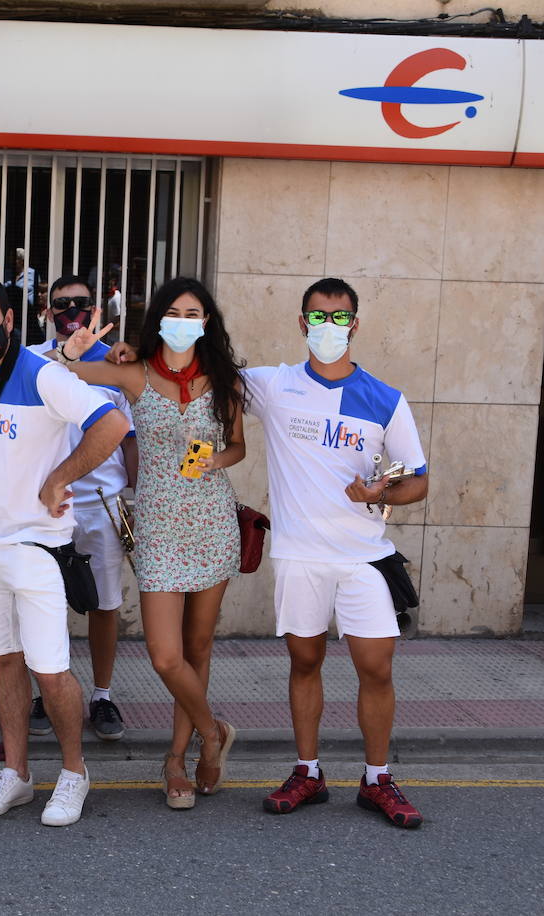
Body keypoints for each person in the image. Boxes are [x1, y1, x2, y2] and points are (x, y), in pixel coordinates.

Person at [0, 273, 127, 827]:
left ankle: (74, 772)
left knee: (50, 671)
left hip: (38, 547)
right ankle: (16, 773)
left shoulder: (43, 374)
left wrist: (60, 477)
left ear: (10, 320)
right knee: (4, 662)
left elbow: (110, 425)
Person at [245, 278, 429, 828]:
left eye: (340, 317)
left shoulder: (385, 398)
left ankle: (377, 780)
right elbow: (199, 373)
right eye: (319, 317)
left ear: (355, 324)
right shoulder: (273, 385)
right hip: (299, 556)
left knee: (376, 667)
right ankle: (308, 772)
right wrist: (111, 355)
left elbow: (418, 480)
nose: (329, 327)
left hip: (363, 558)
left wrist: (380, 494)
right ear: (303, 323)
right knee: (304, 662)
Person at [59, 277, 245, 809]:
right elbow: (60, 375)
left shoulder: (224, 379)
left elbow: (238, 446)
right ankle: (213, 732)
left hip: (212, 523)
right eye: (174, 313)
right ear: (159, 319)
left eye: (193, 314)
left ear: (206, 322)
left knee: (197, 649)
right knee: (166, 656)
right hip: (159, 528)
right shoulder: (134, 373)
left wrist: (217, 460)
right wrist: (71, 351)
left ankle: (177, 760)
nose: (183, 322)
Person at [26, 276, 137, 743]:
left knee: (105, 605)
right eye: (61, 303)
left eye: (81, 303)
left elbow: (129, 439)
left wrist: (135, 495)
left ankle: (102, 695)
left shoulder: (116, 364)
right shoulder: (33, 360)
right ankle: (46, 692)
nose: (71, 310)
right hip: (46, 505)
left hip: (102, 505)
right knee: (42, 604)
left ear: (96, 310)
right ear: (47, 311)